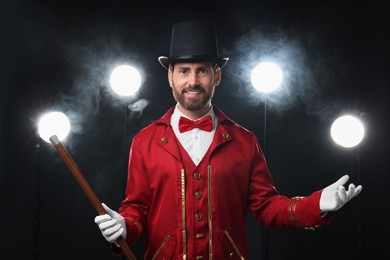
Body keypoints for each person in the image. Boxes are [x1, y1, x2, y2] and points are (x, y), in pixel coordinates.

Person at [95, 20, 362, 259]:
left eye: (202, 71)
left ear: (217, 76)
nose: (193, 81)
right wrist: (124, 228)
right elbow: (136, 210)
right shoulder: (145, 141)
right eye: (184, 71)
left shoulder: (244, 141)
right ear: (170, 77)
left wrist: (315, 204)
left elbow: (266, 207)